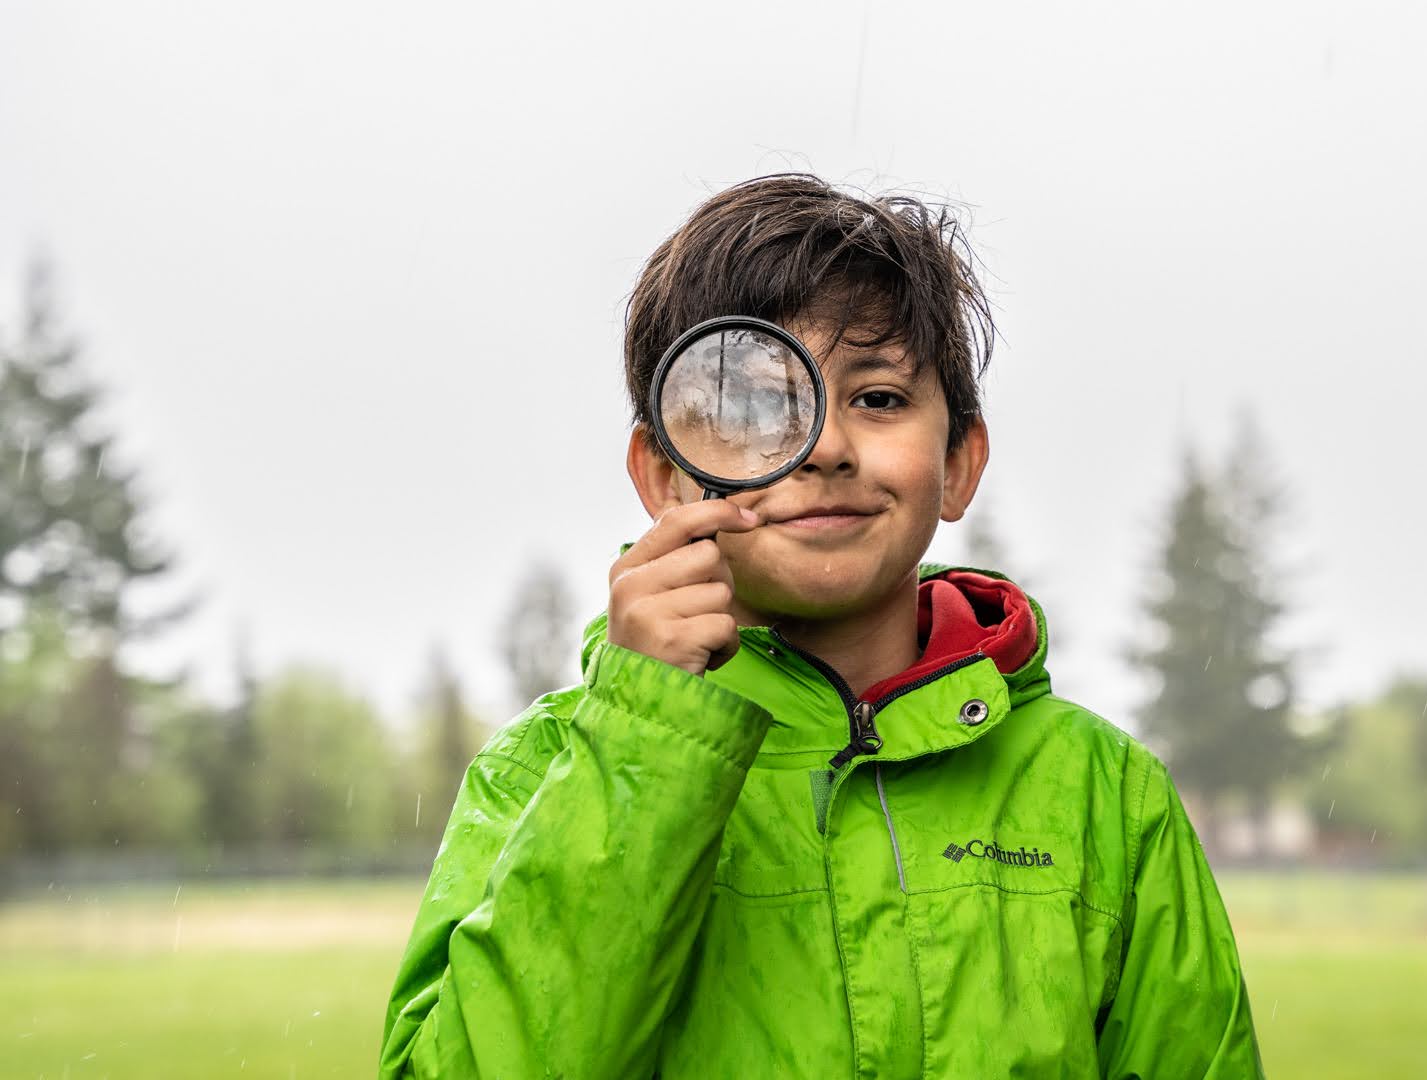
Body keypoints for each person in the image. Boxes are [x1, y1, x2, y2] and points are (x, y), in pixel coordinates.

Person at [378, 174, 1264, 1078]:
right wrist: (644, 740)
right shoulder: (547, 774)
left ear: (959, 463)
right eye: (756, 407)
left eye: (878, 398)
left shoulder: (1105, 796)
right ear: (664, 475)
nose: (828, 445)